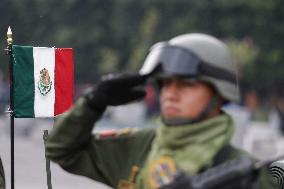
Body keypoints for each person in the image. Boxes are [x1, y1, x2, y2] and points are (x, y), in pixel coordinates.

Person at [46, 33, 274, 189]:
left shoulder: (249, 173)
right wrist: (91, 105)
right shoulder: (140, 146)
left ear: (219, 94)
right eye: (165, 83)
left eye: (186, 84)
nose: (171, 93)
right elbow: (60, 150)